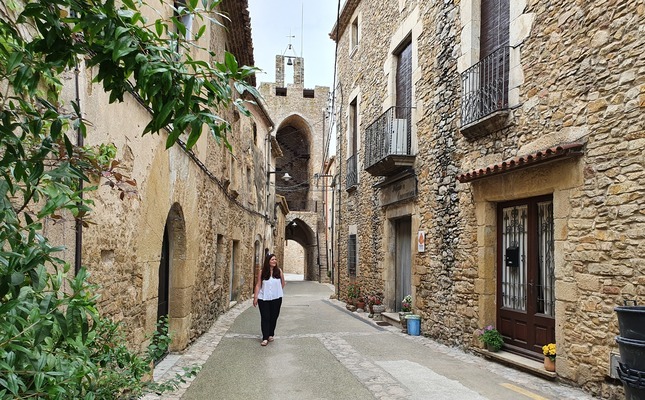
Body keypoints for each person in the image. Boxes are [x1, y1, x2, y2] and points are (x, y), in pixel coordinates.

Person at [253, 253, 286, 346]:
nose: (274, 261)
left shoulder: (279, 271)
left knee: (274, 316)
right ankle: (265, 337)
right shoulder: (262, 272)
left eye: (275, 259)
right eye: (272, 259)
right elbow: (258, 284)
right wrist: (255, 297)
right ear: (268, 261)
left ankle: (271, 334)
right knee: (265, 317)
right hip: (263, 298)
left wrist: (277, 292)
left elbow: (283, 283)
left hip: (276, 298)